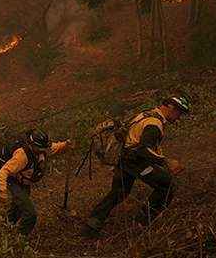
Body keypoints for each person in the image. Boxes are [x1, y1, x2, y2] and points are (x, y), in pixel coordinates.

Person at [81, 96, 191, 238]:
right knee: (167, 185)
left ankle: (91, 226)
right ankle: (142, 224)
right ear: (170, 107)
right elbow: (143, 150)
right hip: (136, 162)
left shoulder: (146, 114)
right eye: (179, 113)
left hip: (125, 159)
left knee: (118, 193)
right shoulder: (154, 123)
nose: (178, 118)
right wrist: (166, 162)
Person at [0, 130, 70, 236]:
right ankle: (19, 238)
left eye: (44, 148)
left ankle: (5, 231)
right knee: (30, 213)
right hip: (14, 182)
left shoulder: (42, 149)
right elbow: (4, 171)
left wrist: (67, 144)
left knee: (18, 208)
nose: (43, 150)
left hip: (25, 183)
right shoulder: (22, 156)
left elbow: (55, 148)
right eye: (40, 149)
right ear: (32, 145)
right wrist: (2, 190)